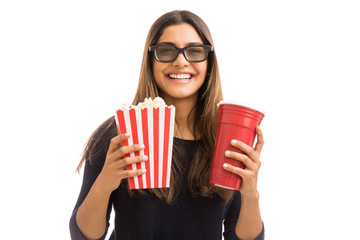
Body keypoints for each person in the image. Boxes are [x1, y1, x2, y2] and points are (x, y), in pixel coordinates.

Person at [70, 10, 265, 240]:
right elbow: (84, 236)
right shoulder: (118, 134)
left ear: (209, 63)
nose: (181, 61)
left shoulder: (225, 137)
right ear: (150, 61)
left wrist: (250, 192)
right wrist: (105, 182)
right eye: (166, 50)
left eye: (194, 51)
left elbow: (238, 237)